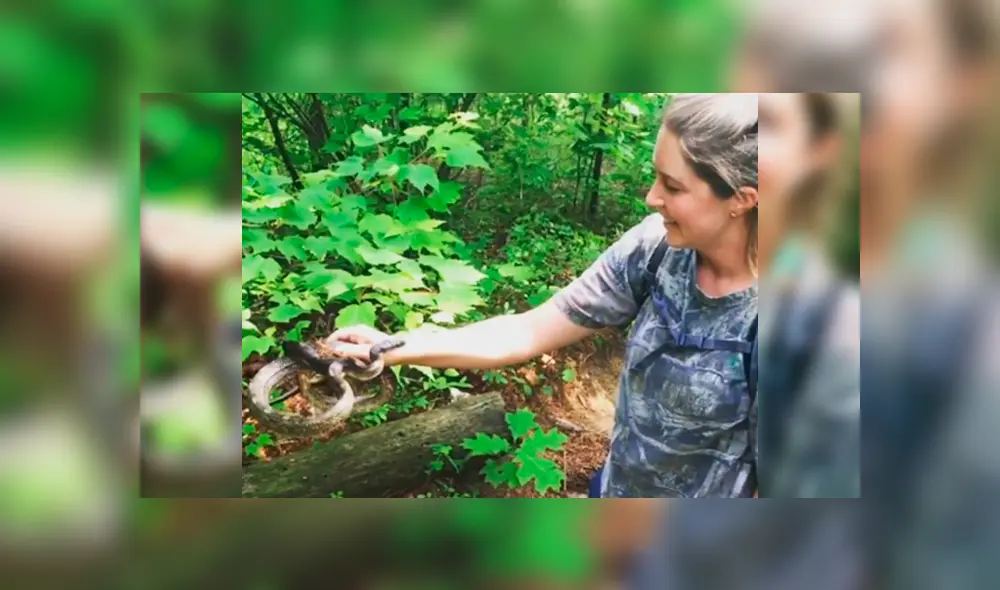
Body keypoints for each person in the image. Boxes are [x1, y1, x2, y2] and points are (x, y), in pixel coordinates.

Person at [329, 93, 759, 498]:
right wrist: (395, 347)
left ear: (741, 199)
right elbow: (527, 330)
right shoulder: (656, 250)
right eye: (655, 176)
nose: (651, 197)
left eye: (673, 186)